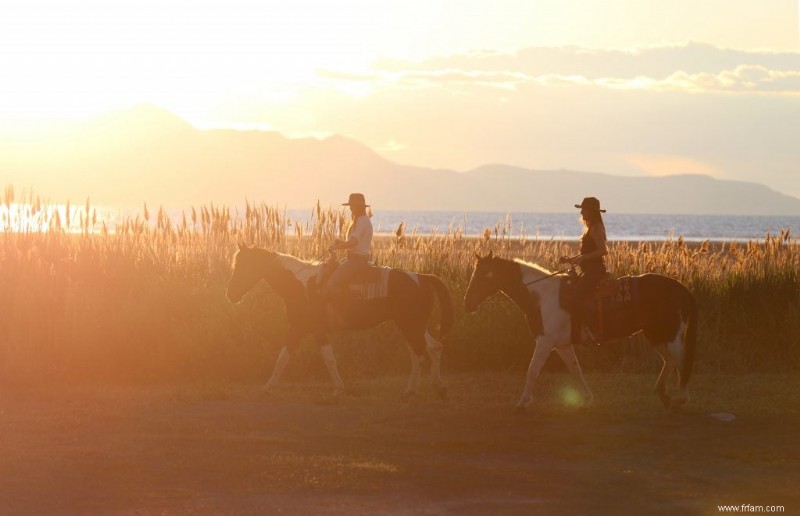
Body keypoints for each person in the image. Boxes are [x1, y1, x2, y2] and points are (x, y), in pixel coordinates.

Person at [559, 196, 608, 345]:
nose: (581, 213)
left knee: (577, 296)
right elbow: (586, 254)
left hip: (595, 271)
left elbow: (602, 251)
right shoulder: (590, 228)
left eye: (583, 209)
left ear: (591, 211)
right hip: (589, 270)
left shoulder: (597, 228)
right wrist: (571, 259)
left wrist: (583, 258)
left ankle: (591, 330)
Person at [325, 192, 374, 299]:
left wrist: (336, 247)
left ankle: (351, 302)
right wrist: (341, 242)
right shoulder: (360, 220)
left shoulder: (361, 221)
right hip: (354, 259)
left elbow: (353, 242)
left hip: (357, 261)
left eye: (352, 205)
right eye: (350, 206)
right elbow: (356, 243)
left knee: (331, 284)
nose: (351, 208)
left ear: (359, 207)